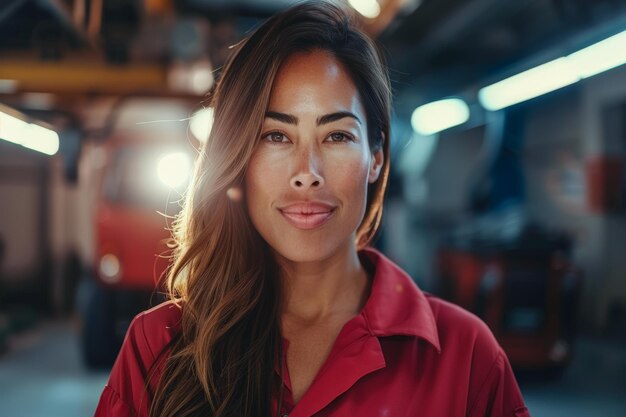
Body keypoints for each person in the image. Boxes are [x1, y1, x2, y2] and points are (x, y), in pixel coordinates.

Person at [94, 2, 530, 416]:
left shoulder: (466, 358)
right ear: (238, 157)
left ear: (376, 156)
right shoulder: (159, 347)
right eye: (276, 136)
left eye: (337, 136)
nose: (307, 173)